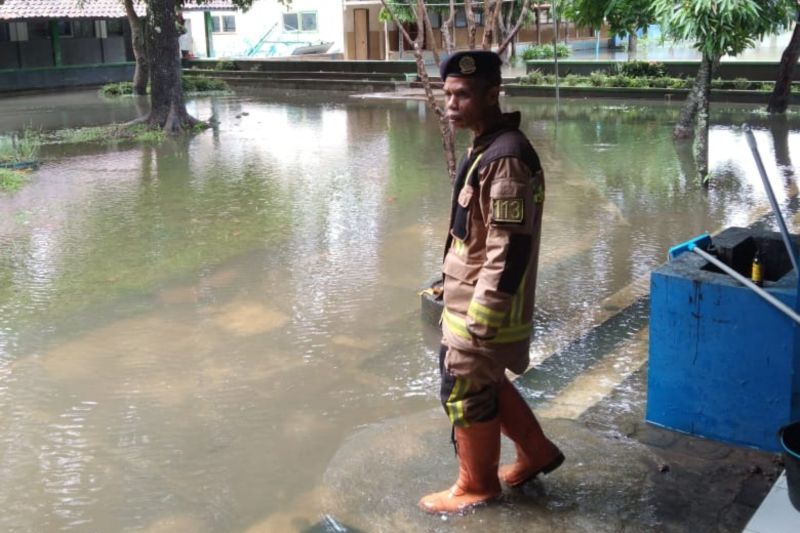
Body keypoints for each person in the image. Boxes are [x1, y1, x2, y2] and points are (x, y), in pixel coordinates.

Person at [419, 50, 564, 514]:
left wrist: (482, 321)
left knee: (463, 387)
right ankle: (536, 451)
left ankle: (476, 485)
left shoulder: (505, 158)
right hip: (467, 298)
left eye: (462, 95)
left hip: (484, 310)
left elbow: (508, 248)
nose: (452, 104)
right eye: (448, 96)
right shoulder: (487, 145)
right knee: (485, 382)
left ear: (492, 94)